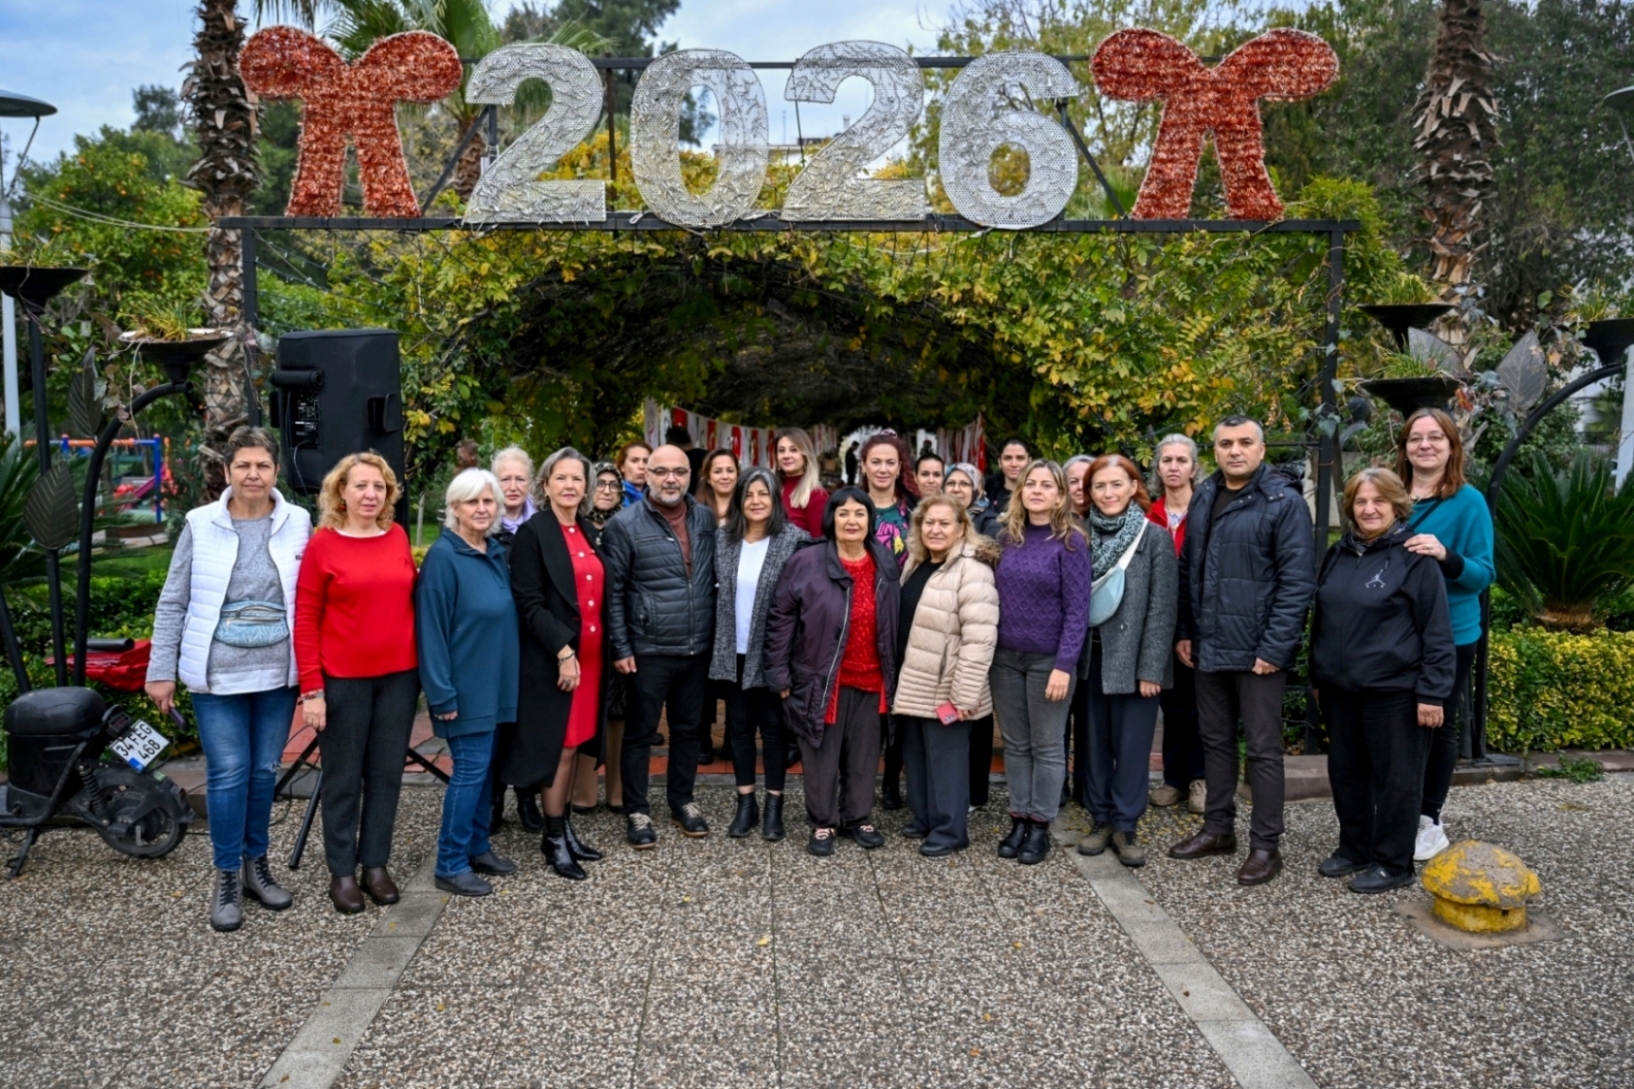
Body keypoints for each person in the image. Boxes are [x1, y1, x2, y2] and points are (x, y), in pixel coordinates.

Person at [146, 427, 310, 932]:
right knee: (229, 773)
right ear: (226, 471)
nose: (253, 475)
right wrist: (160, 670)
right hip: (216, 676)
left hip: (277, 675)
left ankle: (256, 867)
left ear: (275, 472)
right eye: (243, 466)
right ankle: (225, 878)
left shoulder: (299, 522)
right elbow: (174, 600)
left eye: (262, 466)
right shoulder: (201, 523)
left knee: (263, 772)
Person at [1169, 417, 1315, 887]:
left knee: (1264, 750)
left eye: (1245, 443)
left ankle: (1266, 846)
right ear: (1214, 451)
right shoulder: (1206, 494)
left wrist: (1275, 647)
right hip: (1209, 645)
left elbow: (1297, 583)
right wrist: (1187, 631)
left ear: (1262, 448)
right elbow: (1190, 569)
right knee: (1214, 741)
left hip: (1258, 652)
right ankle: (1218, 829)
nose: (1235, 451)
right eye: (1226, 443)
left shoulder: (1283, 502)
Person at [1311, 468, 1455, 893]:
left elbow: (1436, 631)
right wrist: (1318, 675)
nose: (1369, 509)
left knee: (1396, 780)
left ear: (1396, 506)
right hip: (1340, 689)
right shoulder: (1338, 554)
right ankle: (1354, 848)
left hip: (1394, 690)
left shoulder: (1415, 558)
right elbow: (1323, 620)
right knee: (1347, 774)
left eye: (1379, 501)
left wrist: (1432, 692)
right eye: (1360, 501)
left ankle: (1394, 863)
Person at [294, 452, 420, 914]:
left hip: (400, 678)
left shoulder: (398, 536)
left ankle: (375, 865)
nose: (370, 495)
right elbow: (305, 618)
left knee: (386, 775)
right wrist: (313, 689)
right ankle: (342, 871)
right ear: (340, 492)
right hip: (343, 681)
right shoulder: (323, 544)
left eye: (379, 487)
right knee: (343, 779)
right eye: (361, 486)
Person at [765, 488, 900, 856]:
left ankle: (858, 817)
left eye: (860, 514)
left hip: (873, 677)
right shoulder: (806, 562)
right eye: (843, 514)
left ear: (871, 520)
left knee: (864, 755)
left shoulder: (884, 561)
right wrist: (778, 673)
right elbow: (780, 618)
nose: (852, 521)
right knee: (820, 754)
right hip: (822, 678)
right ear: (831, 519)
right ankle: (822, 822)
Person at [601, 444, 717, 847]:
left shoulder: (705, 519)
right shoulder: (624, 525)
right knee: (639, 734)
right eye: (662, 471)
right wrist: (620, 646)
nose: (671, 479)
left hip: (697, 646)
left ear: (690, 477)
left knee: (687, 731)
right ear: (646, 476)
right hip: (647, 648)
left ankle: (682, 801)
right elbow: (612, 592)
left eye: (680, 472)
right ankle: (637, 809)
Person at [503, 448, 609, 879]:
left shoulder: (588, 528)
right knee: (560, 747)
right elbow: (527, 602)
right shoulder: (533, 533)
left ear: (586, 488)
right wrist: (564, 652)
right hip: (555, 661)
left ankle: (565, 831)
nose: (569, 486)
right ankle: (553, 838)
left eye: (577, 479)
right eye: (560, 478)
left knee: (578, 742)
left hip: (593, 660)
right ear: (545, 485)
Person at [1394, 408, 1495, 862]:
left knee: (1438, 723)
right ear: (1405, 447)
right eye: (1416, 438)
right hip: (1395, 633)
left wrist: (1445, 555)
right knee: (1397, 722)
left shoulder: (1467, 501)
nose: (1425, 445)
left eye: (1436, 437)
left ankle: (1428, 819)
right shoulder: (1392, 497)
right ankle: (1396, 807)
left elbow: (1482, 574)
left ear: (1452, 446)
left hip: (1450, 634)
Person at [416, 469, 520, 897]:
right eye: (471, 502)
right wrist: (441, 693)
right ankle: (451, 862)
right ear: (454, 508)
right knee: (469, 773)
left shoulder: (493, 551)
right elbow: (431, 631)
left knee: (485, 771)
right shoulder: (444, 558)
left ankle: (478, 846)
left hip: (496, 686)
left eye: (488, 501)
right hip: (464, 689)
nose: (481, 509)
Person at [1073, 455, 1177, 868]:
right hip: (1088, 657)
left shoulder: (1154, 538)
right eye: (1100, 486)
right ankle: (1099, 819)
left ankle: (1125, 824)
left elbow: (1162, 608)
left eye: (1117, 484)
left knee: (1132, 747)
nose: (1108, 493)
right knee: (1093, 743)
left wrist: (1152, 667)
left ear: (1134, 486)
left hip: (1135, 661)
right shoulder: (1078, 536)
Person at [991, 459, 1091, 865]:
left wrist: (1064, 665)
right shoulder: (1005, 538)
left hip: (1048, 660)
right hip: (1005, 659)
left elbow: (1077, 610)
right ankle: (1018, 817)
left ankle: (1040, 825)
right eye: (1030, 484)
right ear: (1020, 491)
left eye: (1046, 485)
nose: (1036, 490)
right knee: (1015, 744)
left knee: (1047, 746)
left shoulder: (1071, 543)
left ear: (1059, 494)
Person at [893, 495, 999, 856]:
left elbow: (980, 637)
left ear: (961, 529)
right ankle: (925, 817)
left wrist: (964, 695)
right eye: (928, 522)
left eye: (944, 523)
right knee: (918, 756)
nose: (935, 529)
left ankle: (951, 830)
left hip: (949, 687)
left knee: (947, 761)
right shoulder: (918, 563)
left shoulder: (973, 569)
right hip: (915, 681)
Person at [709, 466, 808, 841]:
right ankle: (745, 804)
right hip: (731, 651)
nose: (755, 501)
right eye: (748, 494)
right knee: (738, 730)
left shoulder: (795, 541)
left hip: (773, 654)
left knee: (775, 733)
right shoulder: (724, 540)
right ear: (739, 499)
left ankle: (774, 808)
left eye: (763, 494)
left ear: (775, 499)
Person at [1146, 434, 1207, 816]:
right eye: (1166, 460)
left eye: (1181, 460)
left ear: (1194, 467)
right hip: (1160, 624)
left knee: (1200, 705)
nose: (1173, 466)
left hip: (1199, 622)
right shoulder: (1149, 513)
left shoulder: (1208, 511)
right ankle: (1173, 779)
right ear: (1158, 468)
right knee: (1172, 705)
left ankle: (1201, 779)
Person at [488, 445, 543, 835]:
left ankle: (527, 797)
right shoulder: (480, 523)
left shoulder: (542, 526)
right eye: (504, 477)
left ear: (530, 482)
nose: (512, 485)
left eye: (519, 477)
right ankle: (492, 801)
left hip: (531, 639)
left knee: (527, 724)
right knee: (494, 724)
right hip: (492, 640)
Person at [941, 461, 1001, 801]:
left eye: (965, 483)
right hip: (943, 629)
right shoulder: (935, 519)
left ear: (977, 489)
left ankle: (976, 790)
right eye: (952, 483)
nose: (958, 489)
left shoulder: (989, 525)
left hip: (976, 623)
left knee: (977, 709)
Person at [572, 460, 629, 812]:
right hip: (584, 635)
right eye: (599, 483)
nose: (606, 490)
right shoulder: (573, 527)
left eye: (613, 485)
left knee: (619, 715)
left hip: (620, 631)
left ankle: (619, 793)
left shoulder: (628, 526)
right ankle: (582, 794)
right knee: (583, 710)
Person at [775, 428, 831, 537]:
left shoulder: (816, 495)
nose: (786, 456)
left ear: (805, 455)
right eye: (781, 450)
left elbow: (819, 544)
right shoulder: (770, 490)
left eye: (794, 450)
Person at [491, 446, 537, 548]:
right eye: (505, 479)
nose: (513, 487)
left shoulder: (543, 522)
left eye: (520, 479)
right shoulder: (483, 522)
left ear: (530, 483)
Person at [945, 461, 1000, 540]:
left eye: (964, 484)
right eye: (950, 483)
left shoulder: (989, 525)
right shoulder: (932, 518)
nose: (956, 489)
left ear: (976, 491)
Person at [986, 438, 1030, 514]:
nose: (1014, 464)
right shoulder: (985, 493)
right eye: (1008, 458)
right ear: (999, 462)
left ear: (1029, 461)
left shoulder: (1037, 494)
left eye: (1020, 458)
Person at [697, 448, 740, 527]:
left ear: (737, 474)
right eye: (718, 471)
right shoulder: (696, 511)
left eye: (730, 471)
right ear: (708, 478)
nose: (725, 476)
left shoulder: (747, 508)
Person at [615, 441, 652, 507]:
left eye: (646, 461)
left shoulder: (656, 496)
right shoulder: (614, 495)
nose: (641, 466)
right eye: (634, 461)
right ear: (622, 466)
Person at [1064, 454, 1093, 521]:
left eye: (1087, 480)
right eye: (1074, 481)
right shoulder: (1053, 521)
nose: (1081, 487)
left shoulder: (1108, 521)